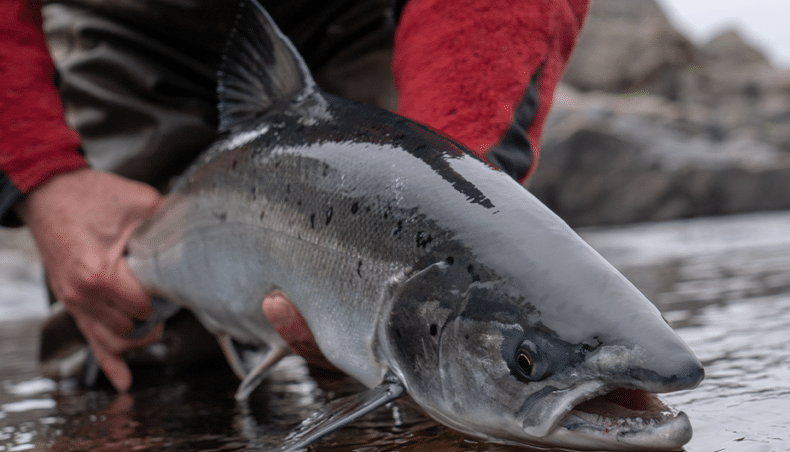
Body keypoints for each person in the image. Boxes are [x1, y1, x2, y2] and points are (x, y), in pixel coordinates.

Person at [0, 0, 589, 391]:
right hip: (121, 17)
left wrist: (450, 186)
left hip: (358, 12)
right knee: (131, 354)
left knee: (413, 387)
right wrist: (41, 173)